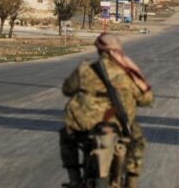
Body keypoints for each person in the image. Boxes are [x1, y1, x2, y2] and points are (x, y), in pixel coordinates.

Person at [60, 33, 153, 188]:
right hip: (119, 123)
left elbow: (67, 89)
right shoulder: (127, 72)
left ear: (99, 50)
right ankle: (132, 180)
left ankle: (74, 178)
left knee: (66, 136)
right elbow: (146, 99)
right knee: (137, 140)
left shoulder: (85, 69)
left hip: (84, 123)